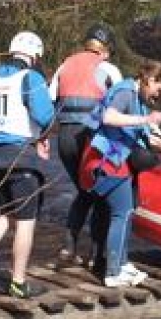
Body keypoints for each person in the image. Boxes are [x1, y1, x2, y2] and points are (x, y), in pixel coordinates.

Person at [0, 31, 55, 299]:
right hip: (21, 156)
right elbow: (46, 115)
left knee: (8, 213)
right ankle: (18, 282)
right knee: (26, 221)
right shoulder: (31, 78)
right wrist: (42, 136)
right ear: (34, 55)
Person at [79, 60, 161, 288]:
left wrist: (156, 141)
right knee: (121, 213)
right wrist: (147, 119)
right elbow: (109, 117)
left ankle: (121, 263)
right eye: (159, 88)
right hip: (107, 160)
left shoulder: (136, 96)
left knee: (128, 210)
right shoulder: (125, 91)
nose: (158, 94)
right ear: (149, 79)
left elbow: (134, 130)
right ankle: (113, 272)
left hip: (118, 160)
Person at [48, 24, 123, 269]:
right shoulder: (108, 68)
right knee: (101, 193)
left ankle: (67, 249)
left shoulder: (65, 65)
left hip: (65, 138)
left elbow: (50, 103)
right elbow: (123, 106)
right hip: (91, 138)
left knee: (84, 191)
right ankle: (96, 254)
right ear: (105, 49)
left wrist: (41, 138)